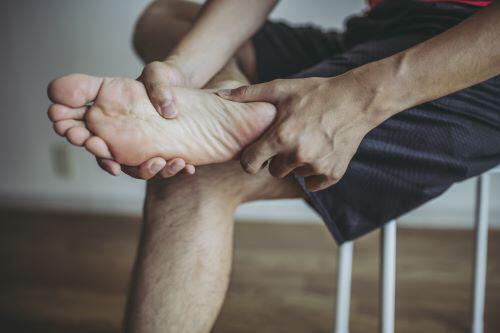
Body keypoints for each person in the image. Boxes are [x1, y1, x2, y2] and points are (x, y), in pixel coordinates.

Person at [47, 0, 500, 332]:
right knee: (166, 16)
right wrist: (184, 69)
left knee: (203, 178)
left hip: (472, 57)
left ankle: (239, 117)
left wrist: (359, 97)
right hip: (384, 29)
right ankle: (224, 97)